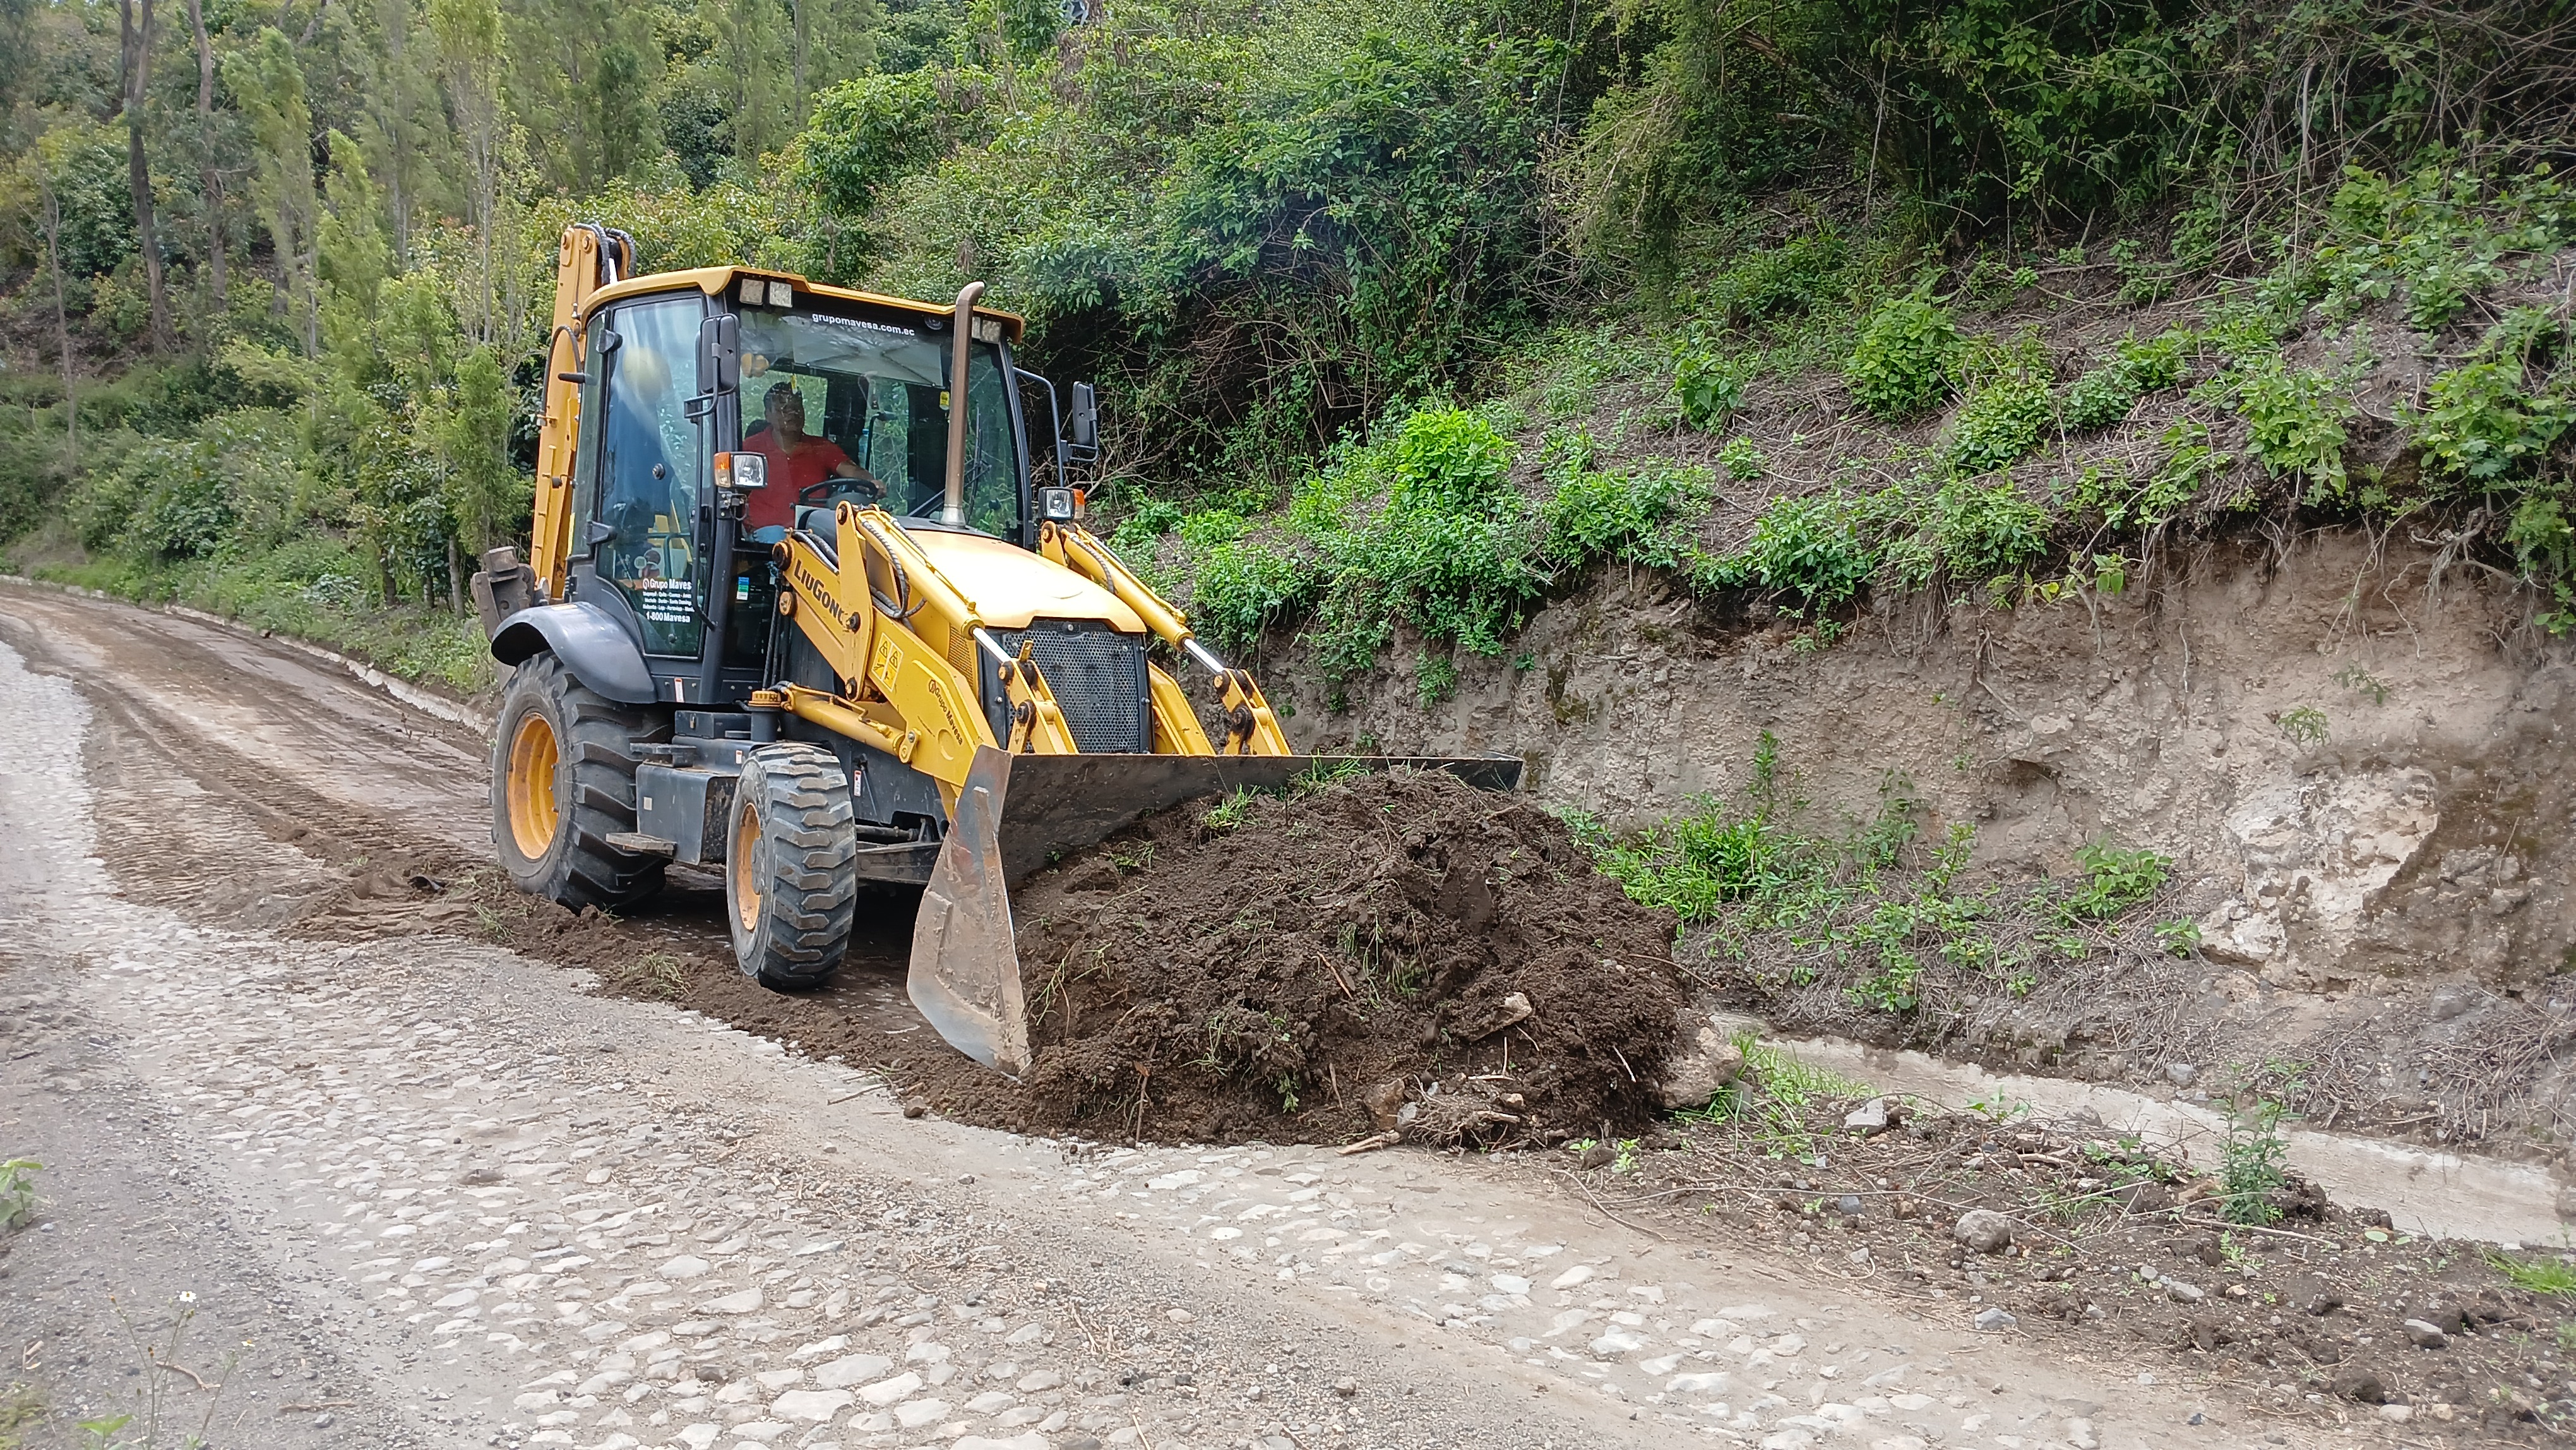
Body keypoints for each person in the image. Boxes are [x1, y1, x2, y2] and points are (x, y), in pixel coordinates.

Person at [744, 380, 878, 532]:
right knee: (775, 534)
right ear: (768, 415)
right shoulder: (749, 448)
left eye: (797, 407)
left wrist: (870, 482)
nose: (793, 413)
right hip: (761, 540)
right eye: (784, 408)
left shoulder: (821, 448)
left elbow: (851, 470)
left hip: (813, 536)